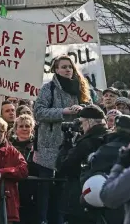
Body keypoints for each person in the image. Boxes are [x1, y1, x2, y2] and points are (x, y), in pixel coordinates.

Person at [33, 55, 90, 224]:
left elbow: (92, 112)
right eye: (63, 67)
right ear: (56, 70)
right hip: (49, 147)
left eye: (70, 67)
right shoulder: (48, 89)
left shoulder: (80, 88)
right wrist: (63, 111)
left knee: (64, 190)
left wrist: (82, 109)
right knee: (46, 191)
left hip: (72, 146)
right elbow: (39, 112)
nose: (67, 70)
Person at [56, 105, 110, 224]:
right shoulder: (110, 138)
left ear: (90, 122)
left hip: (81, 196)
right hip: (106, 198)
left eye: (81, 122)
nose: (80, 126)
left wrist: (66, 144)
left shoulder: (86, 143)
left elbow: (63, 166)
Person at [9, 114, 38, 224]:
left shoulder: (37, 145)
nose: (24, 129)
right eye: (21, 126)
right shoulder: (9, 145)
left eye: (27, 126)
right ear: (16, 129)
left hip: (31, 186)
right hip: (13, 185)